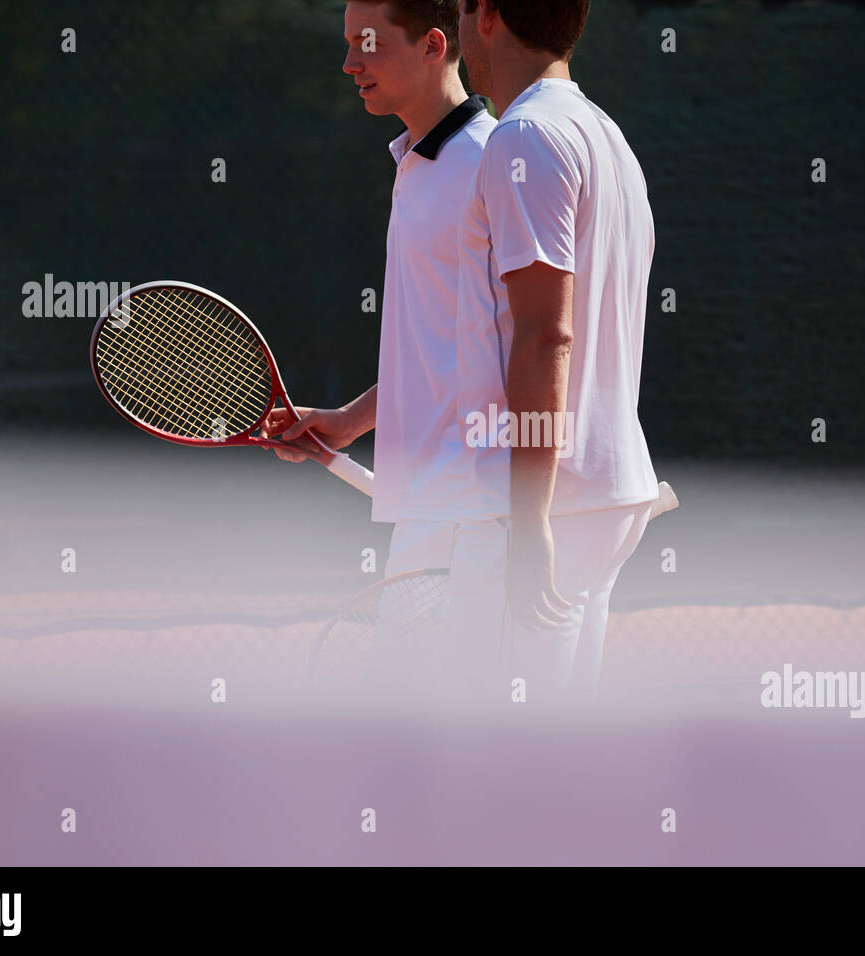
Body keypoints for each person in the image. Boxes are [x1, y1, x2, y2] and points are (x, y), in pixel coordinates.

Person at [264, 0, 495, 689]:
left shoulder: (486, 163)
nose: (348, 64)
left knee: (438, 730)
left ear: (432, 45)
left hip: (476, 512)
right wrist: (348, 422)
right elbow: (441, 351)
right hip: (437, 509)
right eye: (346, 44)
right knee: (416, 731)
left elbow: (532, 342)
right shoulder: (420, 163)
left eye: (367, 45)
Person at [451, 0, 660, 699]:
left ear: (485, 15)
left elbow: (547, 337)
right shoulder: (607, 135)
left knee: (506, 756)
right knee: (554, 750)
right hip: (600, 495)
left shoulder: (525, 138)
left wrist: (529, 516)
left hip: (556, 507)